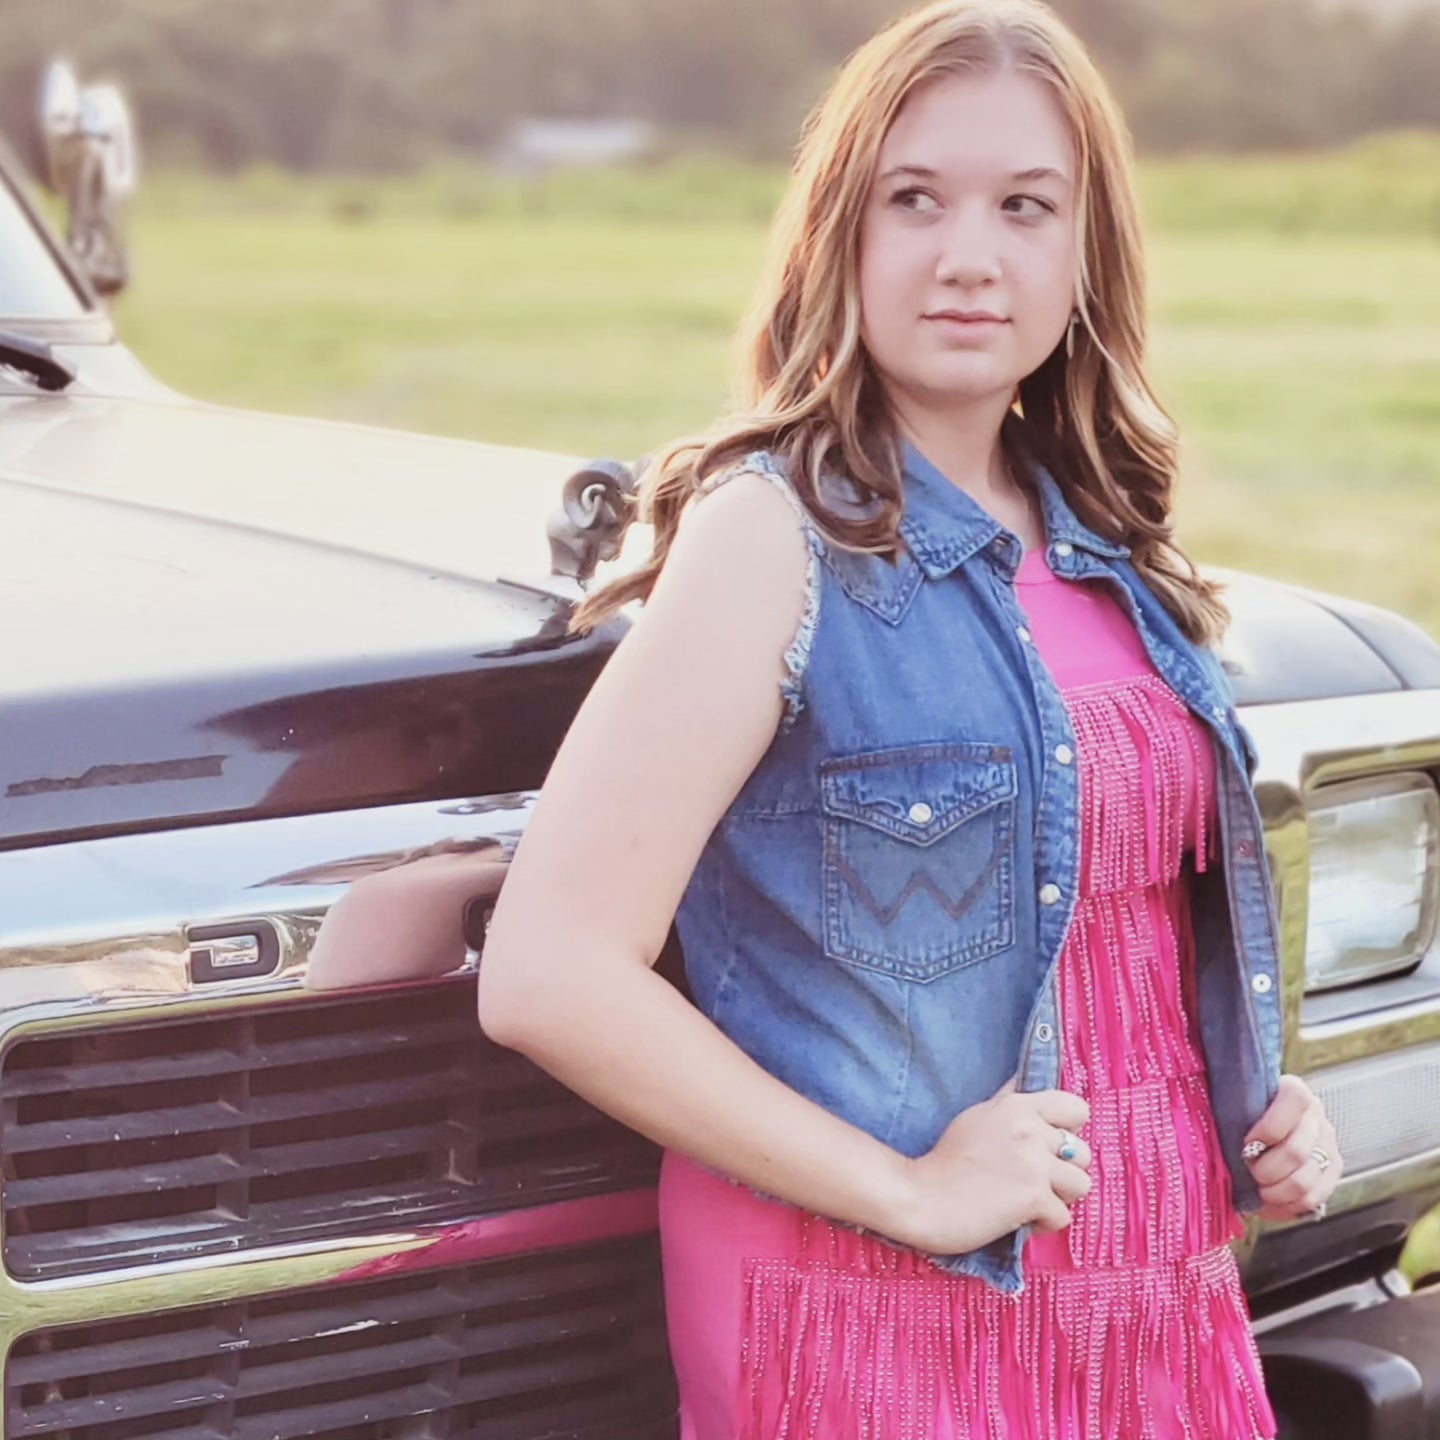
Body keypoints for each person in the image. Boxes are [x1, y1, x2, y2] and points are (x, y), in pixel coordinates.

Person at [310, 1, 1344, 1434]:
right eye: (911, 199)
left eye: (1024, 208)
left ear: (1084, 256)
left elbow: (1121, 923)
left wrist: (1263, 1107)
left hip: (1151, 1290)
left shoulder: (1111, 547)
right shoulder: (774, 539)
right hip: (872, 1303)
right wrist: (913, 1192)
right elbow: (550, 969)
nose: (967, 255)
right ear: (836, 234)